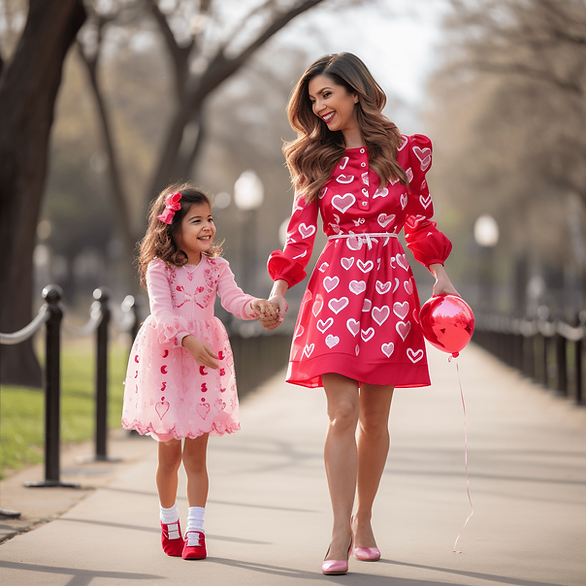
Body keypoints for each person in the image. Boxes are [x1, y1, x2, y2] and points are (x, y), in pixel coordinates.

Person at [260, 53, 458, 575]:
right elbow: (300, 233)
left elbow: (418, 217)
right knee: (342, 412)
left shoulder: (405, 154)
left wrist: (438, 273)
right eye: (312, 100)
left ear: (354, 92)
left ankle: (365, 517)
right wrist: (279, 291)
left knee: (375, 416)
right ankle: (338, 530)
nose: (319, 107)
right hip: (336, 291)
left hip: (391, 287)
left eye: (326, 95)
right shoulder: (314, 161)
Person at [122, 182, 275, 560]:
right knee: (169, 455)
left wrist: (256, 305)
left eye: (210, 219)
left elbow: (233, 299)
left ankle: (196, 532)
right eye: (197, 220)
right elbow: (161, 311)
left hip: (204, 363)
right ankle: (168, 519)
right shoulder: (160, 268)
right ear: (173, 228)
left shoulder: (217, 266)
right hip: (168, 359)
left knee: (196, 457)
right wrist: (187, 339)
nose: (208, 226)